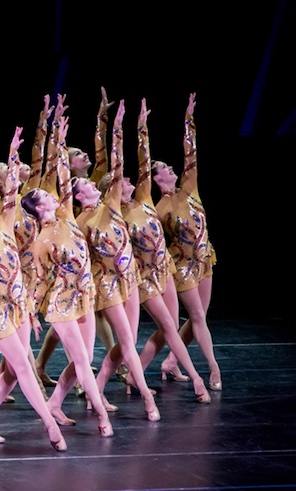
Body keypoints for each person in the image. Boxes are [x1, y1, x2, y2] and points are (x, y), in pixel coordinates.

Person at [0, 127, 68, 452]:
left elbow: (10, 194)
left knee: (9, 372)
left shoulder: (4, 227)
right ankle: (51, 425)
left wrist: (13, 154)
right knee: (22, 366)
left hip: (20, 308)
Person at [105, 98, 210, 403]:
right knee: (168, 327)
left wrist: (141, 128)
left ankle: (133, 376)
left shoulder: (145, 200)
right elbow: (119, 165)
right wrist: (115, 131)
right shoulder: (114, 212)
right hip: (142, 278)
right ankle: (197, 379)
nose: (129, 180)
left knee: (169, 330)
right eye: (123, 180)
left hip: (165, 272)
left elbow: (142, 161)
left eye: (129, 179)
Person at [22, 113, 115, 436]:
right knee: (82, 361)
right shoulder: (41, 240)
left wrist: (59, 136)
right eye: (45, 196)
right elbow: (38, 279)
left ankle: (55, 403)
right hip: (61, 305)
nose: (52, 196)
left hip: (84, 296)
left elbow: (62, 178)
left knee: (83, 358)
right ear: (38, 207)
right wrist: (33, 312)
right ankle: (102, 414)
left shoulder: (66, 218)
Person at [73, 100, 160, 421]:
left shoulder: (109, 208)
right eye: (85, 185)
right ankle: (148, 399)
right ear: (80, 196)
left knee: (127, 344)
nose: (93, 186)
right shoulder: (82, 221)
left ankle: (72, 393)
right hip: (106, 285)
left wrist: (124, 128)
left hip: (130, 280)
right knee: (125, 342)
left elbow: (122, 166)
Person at [152, 93, 221, 392]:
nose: (171, 169)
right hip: (181, 267)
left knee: (199, 318)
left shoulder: (189, 188)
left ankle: (170, 362)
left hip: (205, 259)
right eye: (165, 168)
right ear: (156, 178)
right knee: (196, 317)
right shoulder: (158, 208)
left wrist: (188, 121)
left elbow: (190, 154)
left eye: (170, 165)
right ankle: (213, 368)